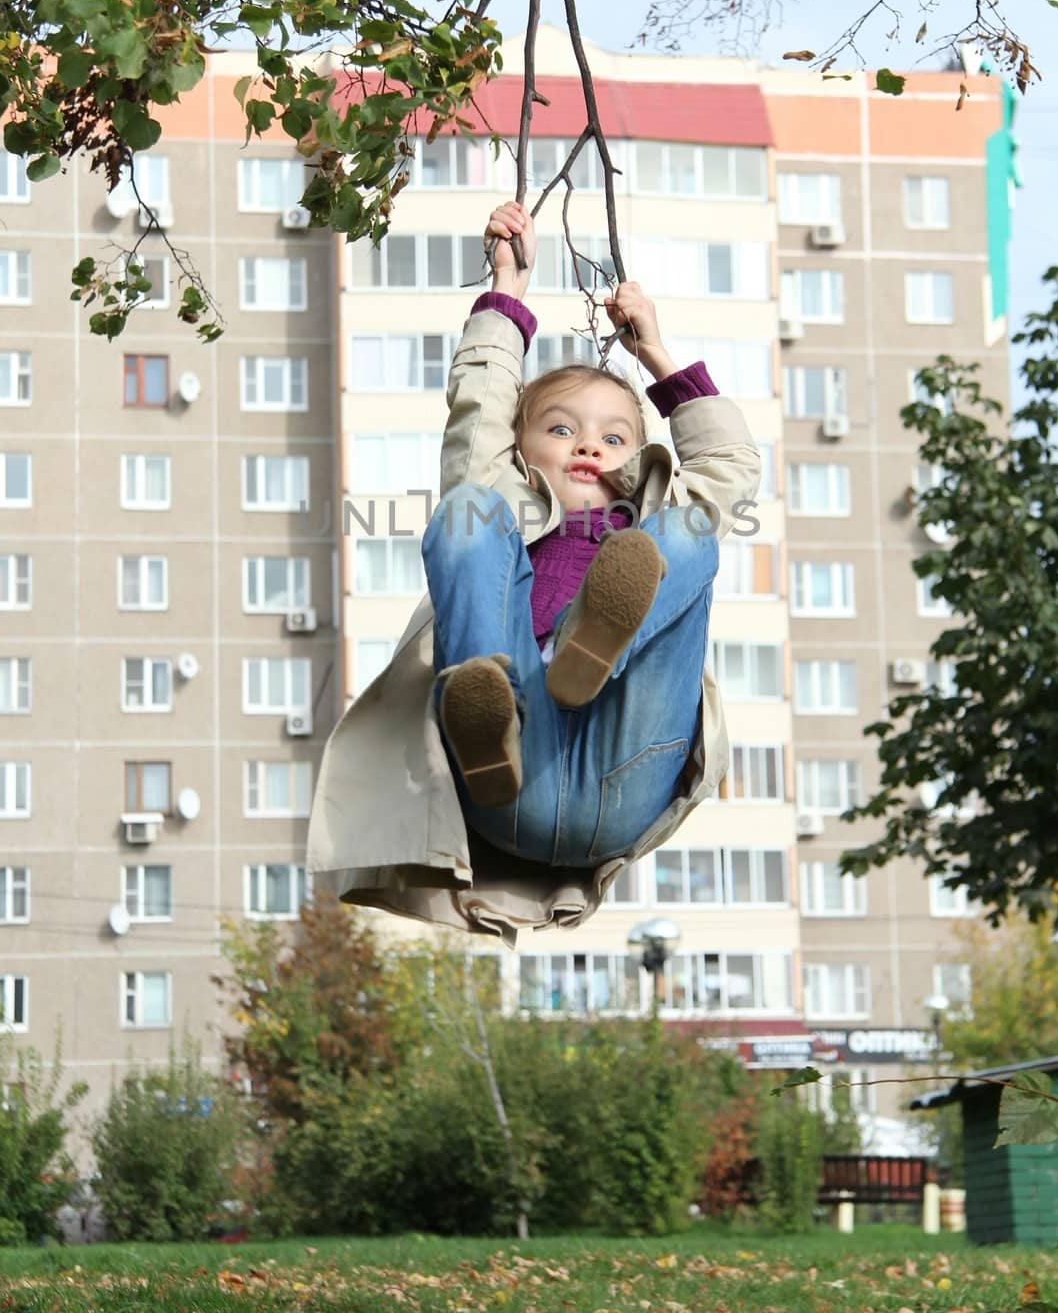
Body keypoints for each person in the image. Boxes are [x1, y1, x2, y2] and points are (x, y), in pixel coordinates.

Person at [307, 200, 760, 939]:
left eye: (614, 436)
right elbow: (477, 410)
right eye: (560, 428)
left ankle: (594, 647)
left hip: (626, 765)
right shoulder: (506, 498)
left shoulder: (653, 509)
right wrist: (507, 290)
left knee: (688, 536)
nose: (588, 446)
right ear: (523, 448)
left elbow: (730, 465)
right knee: (465, 514)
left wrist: (655, 353)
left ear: (634, 453)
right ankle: (494, 711)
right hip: (506, 779)